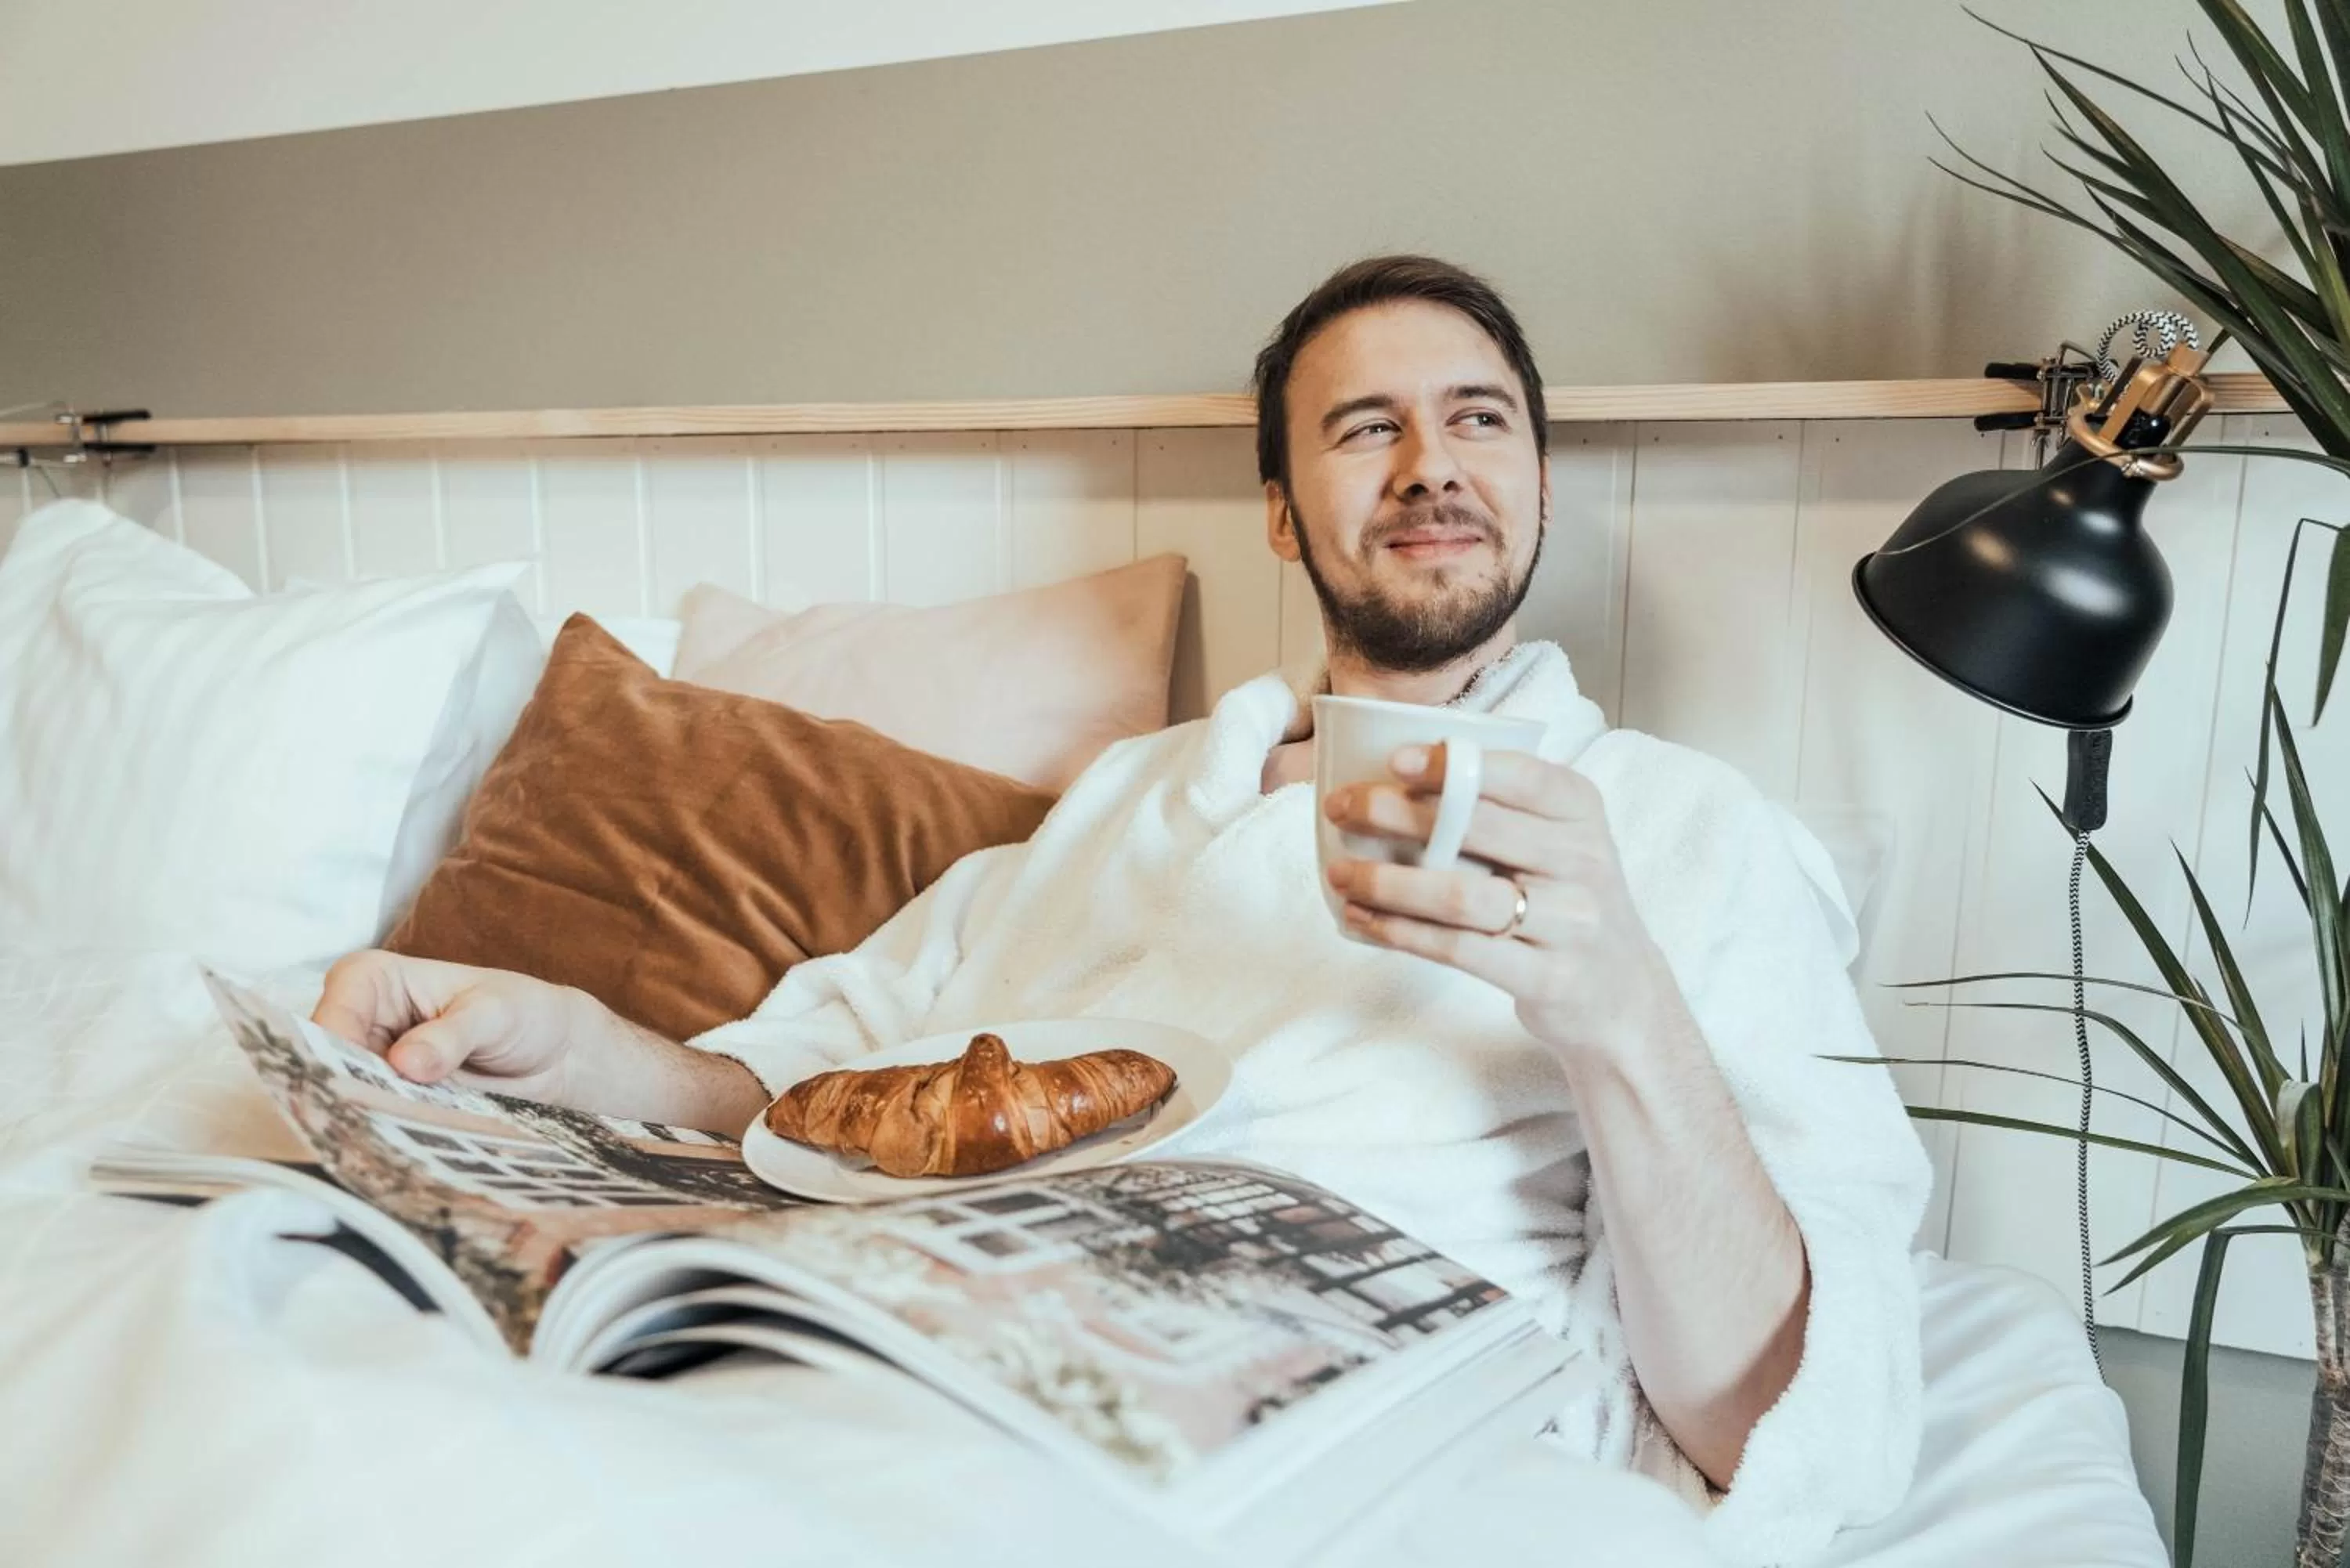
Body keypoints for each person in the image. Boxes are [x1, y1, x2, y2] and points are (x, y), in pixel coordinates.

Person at [316, 255, 1931, 1563]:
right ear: (1284, 512)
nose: (1431, 463)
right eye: (1366, 427)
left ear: (1539, 484)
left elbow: (1793, 1419)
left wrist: (1619, 1010)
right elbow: (823, 1080)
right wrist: (579, 1048)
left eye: (1477, 419)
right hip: (929, 1365)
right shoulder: (1131, 796)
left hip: (1315, 1449)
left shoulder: (1683, 830)